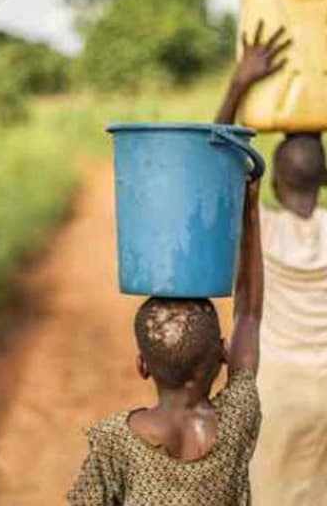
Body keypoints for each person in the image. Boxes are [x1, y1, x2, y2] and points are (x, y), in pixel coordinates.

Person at [216, 14, 327, 505]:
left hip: (276, 390)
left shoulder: (262, 230)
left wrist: (242, 79)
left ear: (272, 184)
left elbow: (215, 158)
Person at [67, 177, 265, 505]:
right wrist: (250, 209)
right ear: (223, 354)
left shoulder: (114, 441)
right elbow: (250, 315)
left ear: (142, 366)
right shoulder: (236, 419)